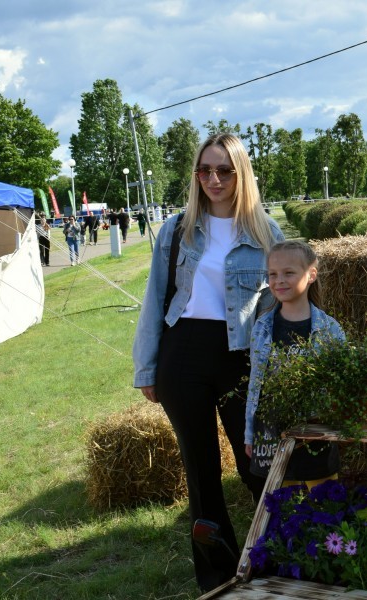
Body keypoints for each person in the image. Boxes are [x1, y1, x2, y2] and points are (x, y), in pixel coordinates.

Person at [132, 132, 285, 593]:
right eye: (205, 170)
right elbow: (156, 298)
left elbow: (283, 302)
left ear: (241, 175)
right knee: (201, 473)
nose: (213, 179)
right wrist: (147, 368)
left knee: (256, 462)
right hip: (184, 354)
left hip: (241, 358)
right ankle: (218, 576)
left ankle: (278, 562)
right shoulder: (178, 228)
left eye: (224, 170)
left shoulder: (264, 231)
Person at [244, 240, 344, 492]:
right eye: (273, 274)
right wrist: (250, 435)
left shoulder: (329, 328)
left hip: (316, 430)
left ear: (311, 275)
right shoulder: (263, 327)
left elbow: (342, 381)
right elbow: (256, 386)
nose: (279, 280)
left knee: (324, 499)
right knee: (283, 500)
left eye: (289, 273)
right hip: (274, 431)